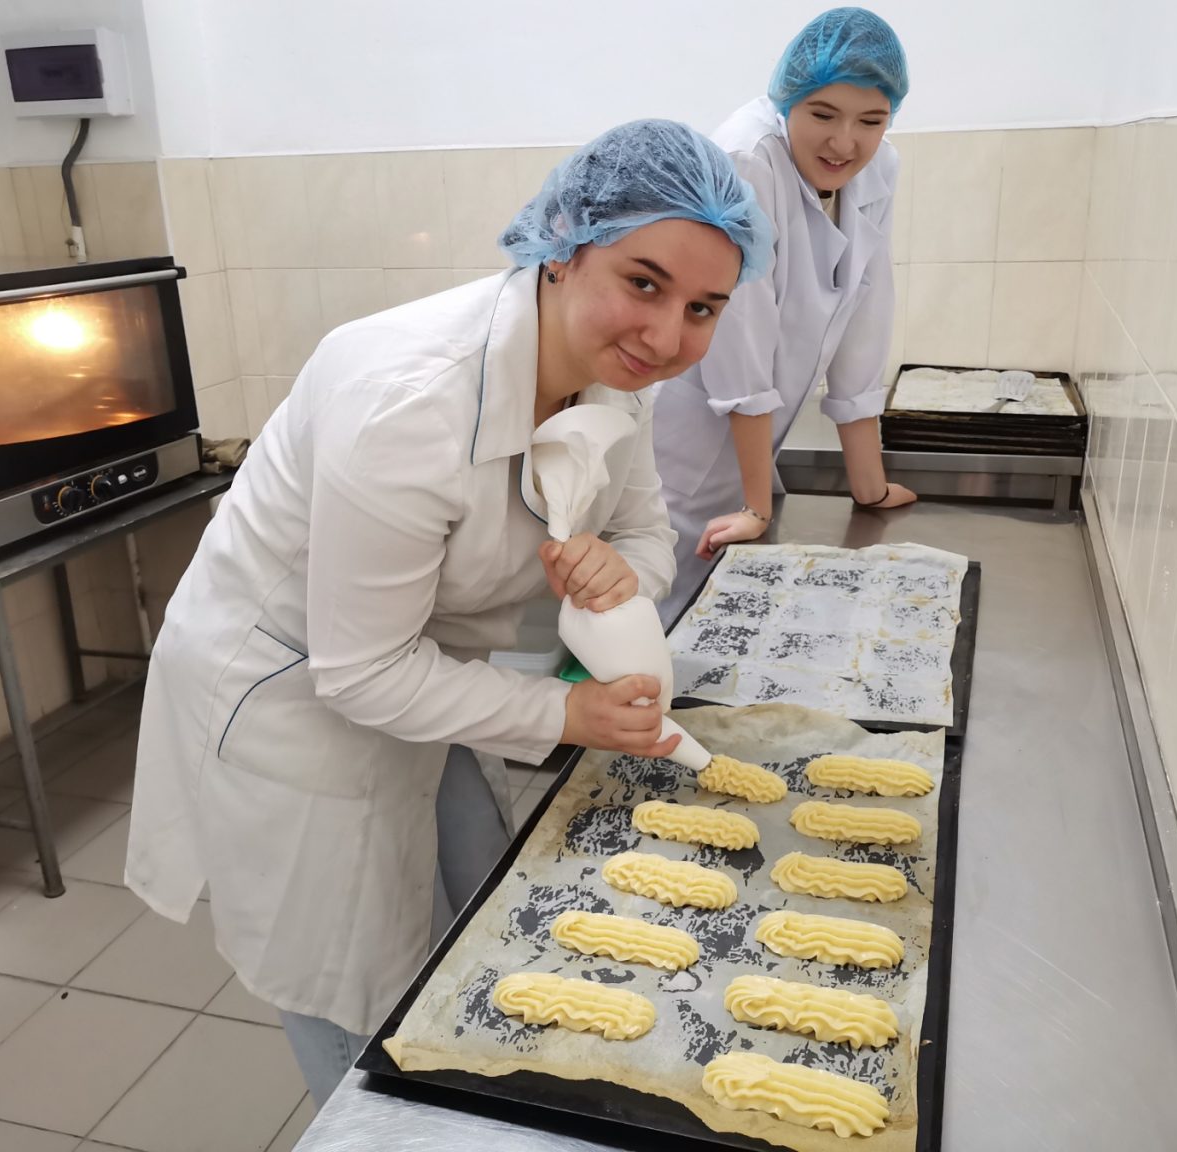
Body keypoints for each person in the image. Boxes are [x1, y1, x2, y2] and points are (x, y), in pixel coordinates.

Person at [125, 119, 771, 1105]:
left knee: (476, 912)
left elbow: (647, 532)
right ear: (564, 246)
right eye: (643, 283)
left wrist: (619, 573)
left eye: (704, 308)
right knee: (354, 981)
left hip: (424, 665)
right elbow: (359, 672)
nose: (667, 336)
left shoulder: (616, 376)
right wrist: (567, 714)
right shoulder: (410, 405)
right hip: (292, 692)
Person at [653, 8, 917, 623]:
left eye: (871, 120)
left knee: (722, 624)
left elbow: (865, 313)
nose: (845, 143)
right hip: (683, 449)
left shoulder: (878, 169)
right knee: (662, 617)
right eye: (823, 115)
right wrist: (755, 506)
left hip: (753, 451)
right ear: (787, 100)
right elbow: (738, 335)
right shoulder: (745, 159)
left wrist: (869, 486)